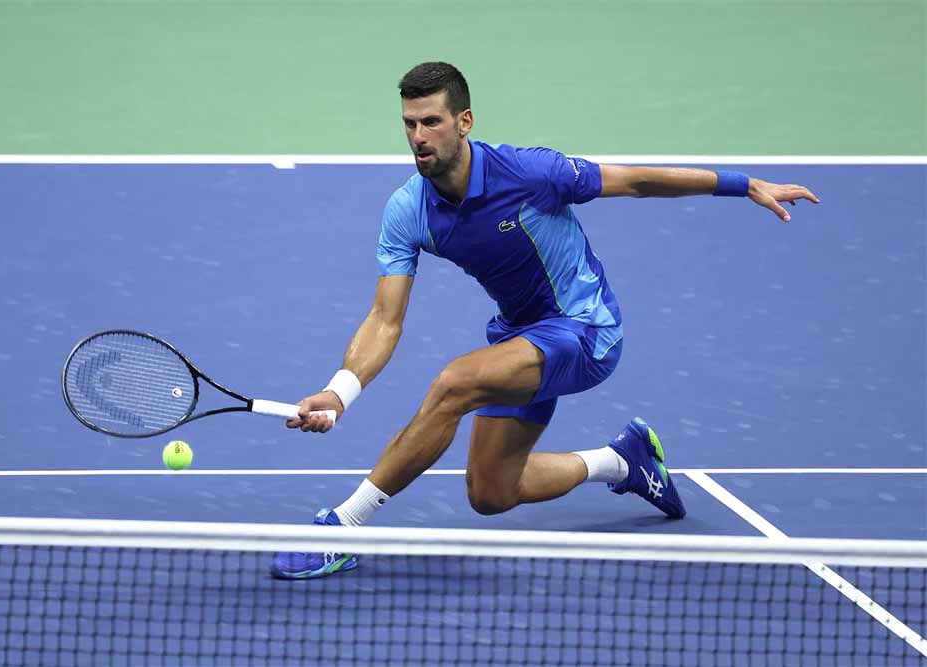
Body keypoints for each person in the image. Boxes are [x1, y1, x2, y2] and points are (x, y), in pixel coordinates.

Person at [270, 62, 819, 579]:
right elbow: (384, 320)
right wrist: (340, 392)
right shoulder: (408, 210)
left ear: (464, 122)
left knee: (455, 384)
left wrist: (742, 184)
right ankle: (623, 462)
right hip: (520, 336)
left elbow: (634, 181)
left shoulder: (529, 173)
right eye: (410, 124)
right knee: (492, 493)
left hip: (585, 330)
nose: (418, 136)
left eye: (431, 122)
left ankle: (345, 527)